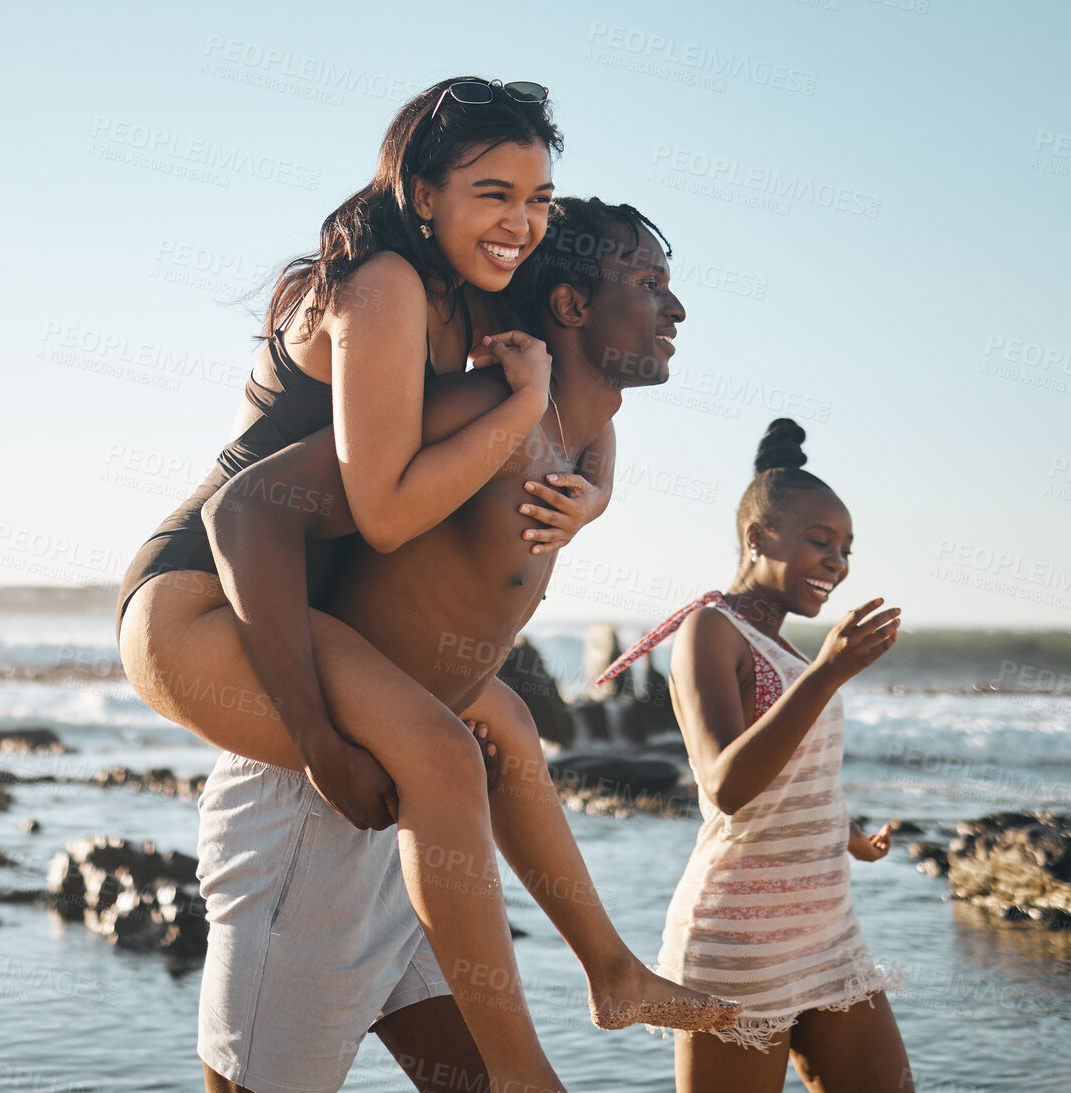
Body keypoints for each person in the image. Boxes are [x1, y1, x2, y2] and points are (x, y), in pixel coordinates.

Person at [199, 198, 735, 1093]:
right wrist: (317, 739)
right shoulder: (480, 409)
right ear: (567, 305)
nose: (674, 310)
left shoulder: (583, 433)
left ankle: (610, 970)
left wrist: (594, 499)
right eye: (648, 285)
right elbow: (247, 510)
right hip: (320, 801)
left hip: (425, 828)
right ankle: (589, 994)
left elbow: (591, 450)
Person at [595, 418, 910, 1092]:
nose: (838, 562)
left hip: (825, 927)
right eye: (820, 542)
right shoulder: (711, 630)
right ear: (757, 538)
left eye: (846, 548)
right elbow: (724, 786)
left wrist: (852, 838)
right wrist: (827, 674)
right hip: (739, 938)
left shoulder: (795, 655)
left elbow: (797, 780)